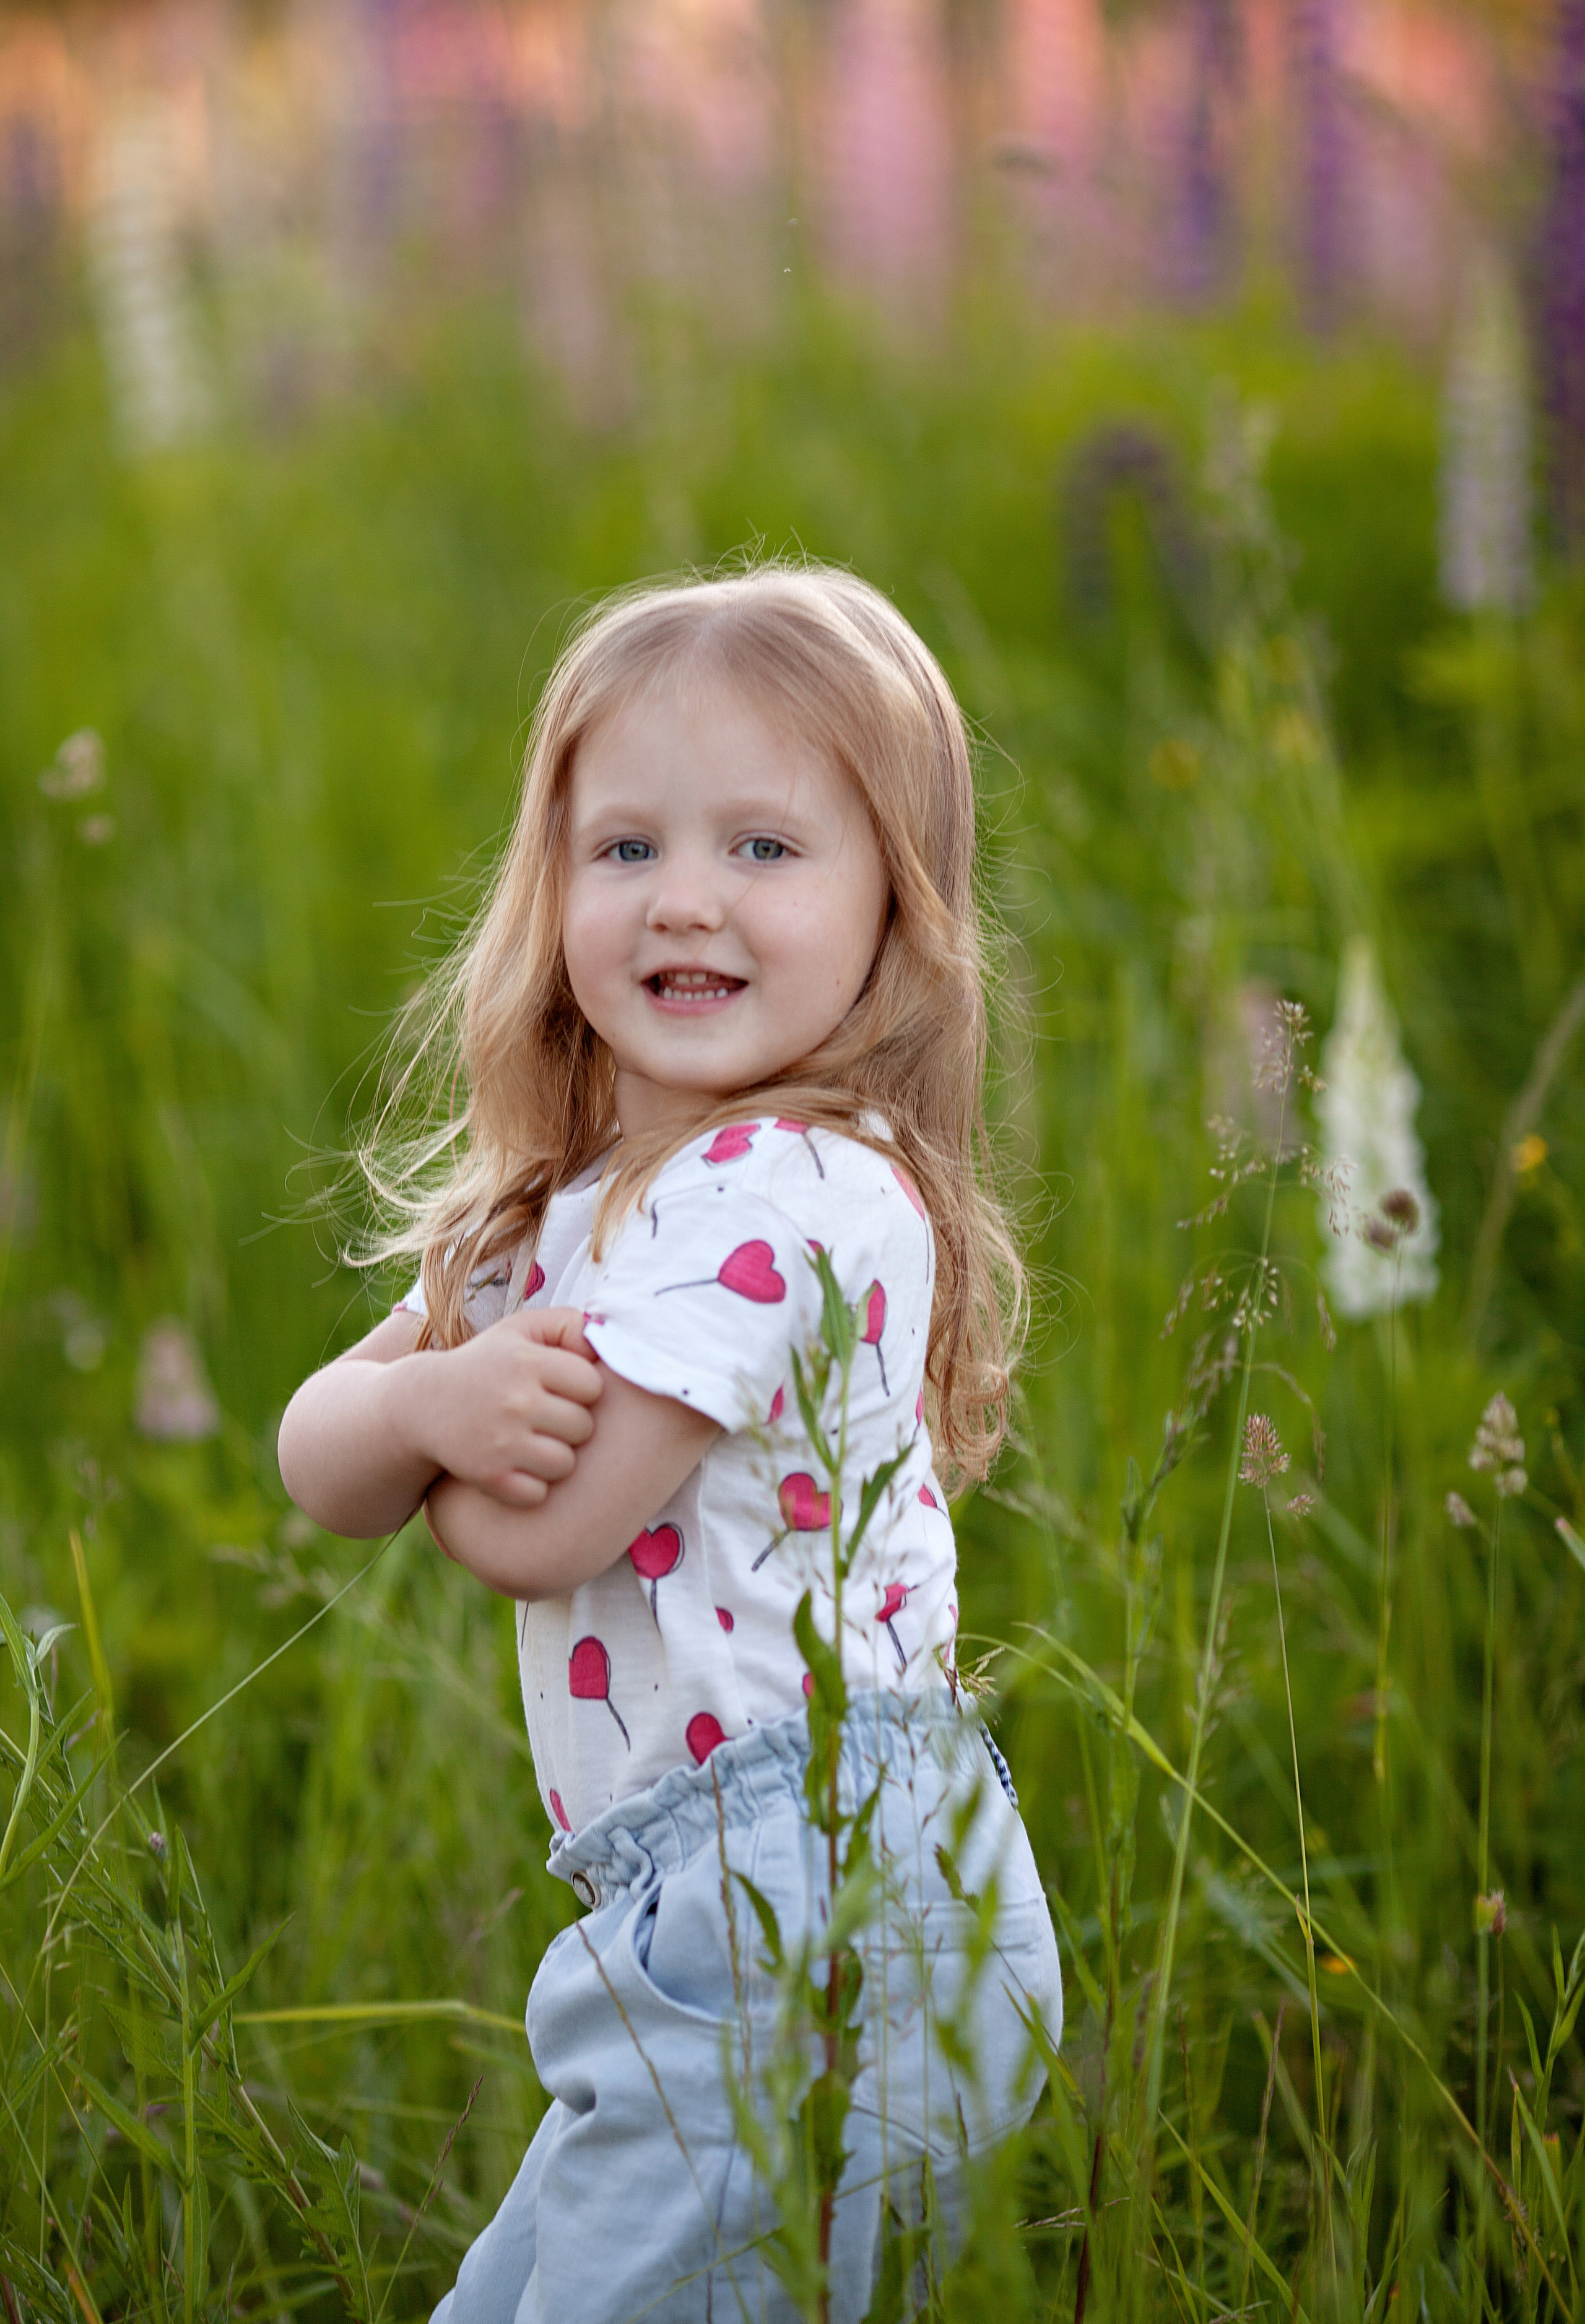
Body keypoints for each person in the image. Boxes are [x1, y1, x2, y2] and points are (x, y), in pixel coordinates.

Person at [277, 563, 1062, 2322]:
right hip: (697, 1919)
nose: (683, 900)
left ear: (896, 908)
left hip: (815, 1917)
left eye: (765, 852)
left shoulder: (785, 1187)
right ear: (549, 888)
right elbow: (320, 1462)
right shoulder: (569, 1207)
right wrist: (419, 1409)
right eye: (624, 849)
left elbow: (546, 1530)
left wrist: (456, 1458)